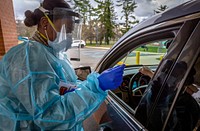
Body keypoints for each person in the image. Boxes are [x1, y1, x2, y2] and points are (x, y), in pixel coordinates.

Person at [0, 0, 125, 130]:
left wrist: (88, 85)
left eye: (70, 31)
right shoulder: (26, 57)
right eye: (66, 29)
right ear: (45, 23)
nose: (69, 36)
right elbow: (50, 115)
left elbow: (65, 87)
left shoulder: (54, 54)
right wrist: (96, 86)